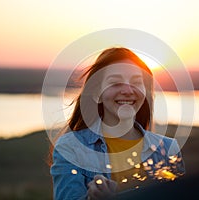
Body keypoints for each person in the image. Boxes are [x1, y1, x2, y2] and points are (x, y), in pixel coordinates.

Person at [50, 47, 185, 200]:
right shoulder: (71, 148)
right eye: (115, 83)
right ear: (97, 94)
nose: (127, 90)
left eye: (136, 82)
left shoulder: (168, 150)